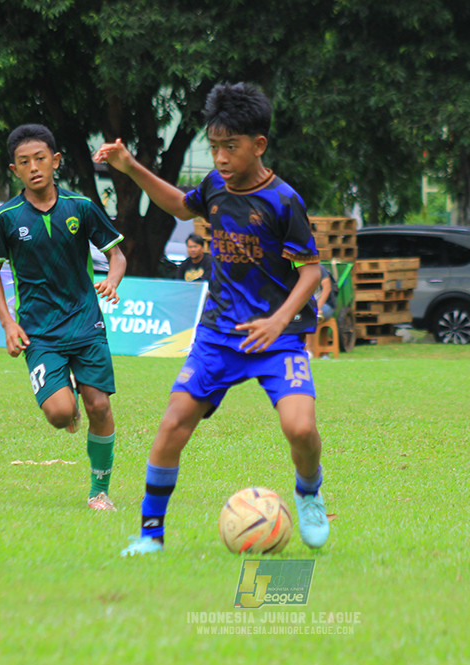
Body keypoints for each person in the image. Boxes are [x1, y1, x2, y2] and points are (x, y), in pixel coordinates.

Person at [95, 81, 330, 556]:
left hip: (275, 338)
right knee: (172, 424)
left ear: (258, 145)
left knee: (301, 429)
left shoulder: (284, 201)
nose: (220, 157)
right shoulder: (214, 187)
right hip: (217, 336)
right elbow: (182, 205)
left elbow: (311, 272)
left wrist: (278, 322)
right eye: (215, 146)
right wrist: (132, 167)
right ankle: (150, 535)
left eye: (231, 147)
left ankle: (309, 493)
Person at [0, 124, 128, 511]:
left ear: (56, 161)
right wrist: (8, 324)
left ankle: (99, 491)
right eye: (24, 162)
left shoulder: (80, 207)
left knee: (99, 405)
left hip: (85, 322)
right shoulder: (5, 217)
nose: (34, 167)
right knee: (60, 413)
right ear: (14, 170)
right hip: (39, 330)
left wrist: (112, 281)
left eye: (41, 159)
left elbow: (117, 255)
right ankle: (67, 402)